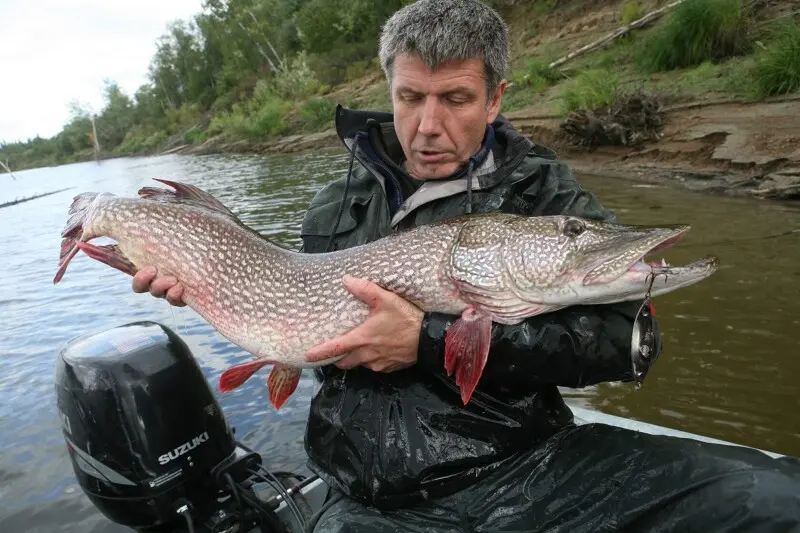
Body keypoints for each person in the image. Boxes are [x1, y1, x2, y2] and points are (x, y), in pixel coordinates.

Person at [134, 0, 800, 531]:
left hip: (528, 471)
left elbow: (620, 340)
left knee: (772, 499)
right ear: (390, 90)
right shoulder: (335, 206)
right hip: (369, 498)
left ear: (495, 98)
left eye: (453, 99)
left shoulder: (543, 194)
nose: (427, 124)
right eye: (409, 97)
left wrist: (421, 341)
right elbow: (293, 322)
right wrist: (202, 278)